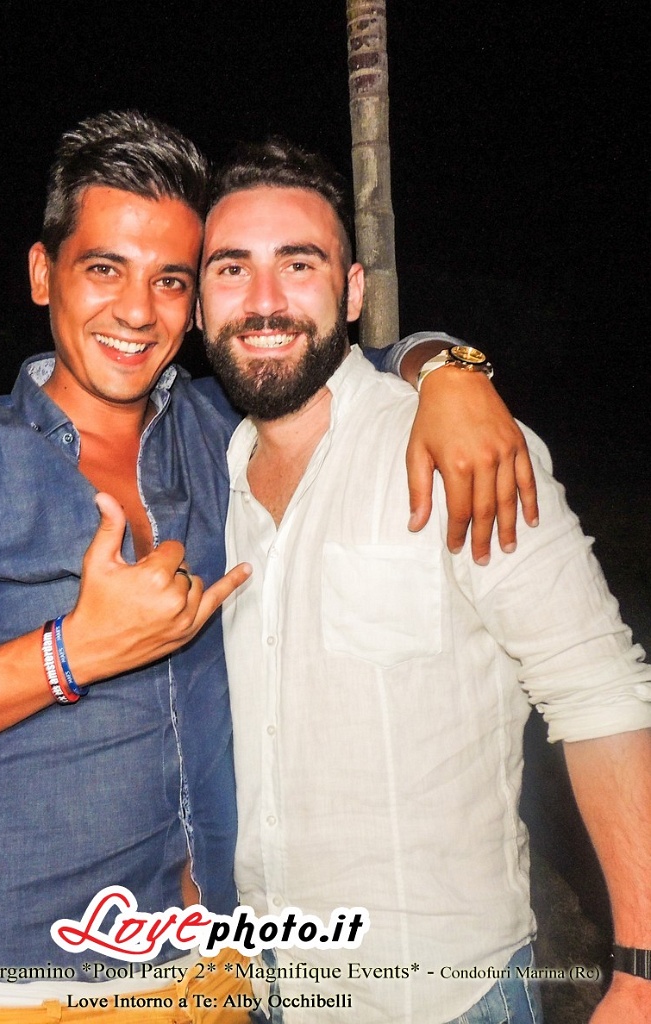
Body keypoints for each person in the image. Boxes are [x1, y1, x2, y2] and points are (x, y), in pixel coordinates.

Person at [0, 111, 532, 1023]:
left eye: (170, 280)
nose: (138, 312)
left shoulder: (227, 432)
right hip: (16, 983)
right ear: (43, 273)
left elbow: (348, 355)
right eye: (104, 269)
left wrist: (448, 367)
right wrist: (65, 656)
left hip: (217, 967)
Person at [192, 139, 651, 1023]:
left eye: (298, 264)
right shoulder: (207, 470)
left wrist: (640, 967)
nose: (264, 299)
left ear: (351, 292)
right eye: (231, 268)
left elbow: (599, 693)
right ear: (198, 302)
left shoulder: (460, 453)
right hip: (268, 987)